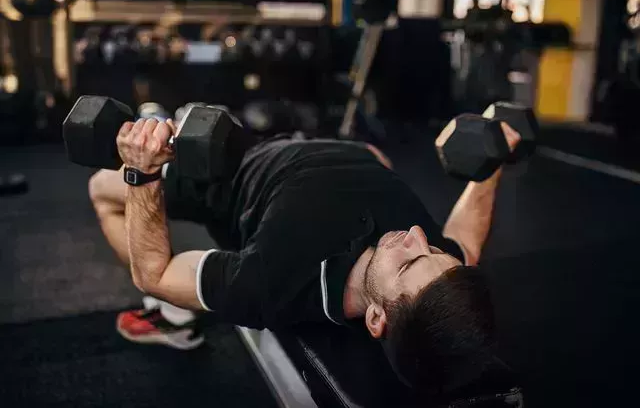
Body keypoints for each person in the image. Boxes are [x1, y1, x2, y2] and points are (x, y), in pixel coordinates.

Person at [88, 110, 521, 398]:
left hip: (236, 167)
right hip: (342, 151)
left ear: (376, 318)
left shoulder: (271, 282)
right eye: (430, 249)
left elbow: (154, 273)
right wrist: (493, 162)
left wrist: (140, 172)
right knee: (378, 160)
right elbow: (466, 239)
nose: (413, 235)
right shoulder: (437, 274)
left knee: (101, 191)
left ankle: (174, 319)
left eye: (409, 260)